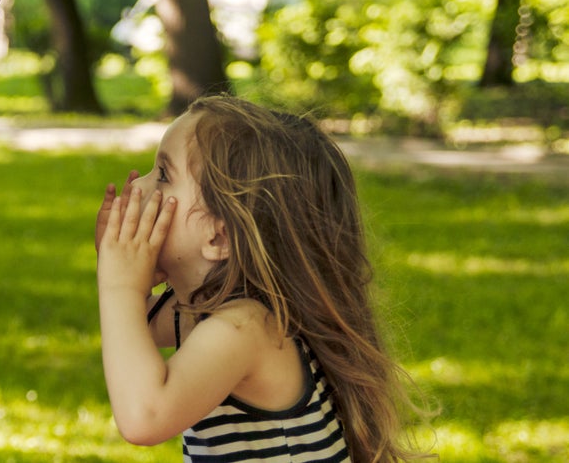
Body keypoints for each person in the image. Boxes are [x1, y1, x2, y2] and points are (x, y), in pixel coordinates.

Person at [95, 95, 430, 462]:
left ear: (218, 237)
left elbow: (144, 418)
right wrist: (129, 276)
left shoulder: (245, 329)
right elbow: (130, 333)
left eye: (162, 175)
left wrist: (120, 286)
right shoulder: (202, 306)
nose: (138, 188)